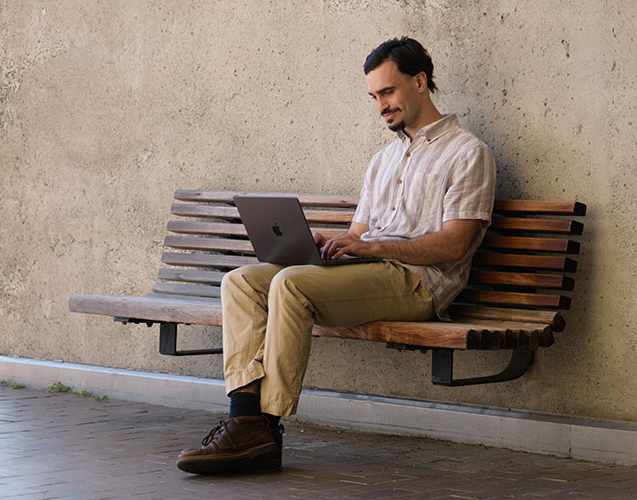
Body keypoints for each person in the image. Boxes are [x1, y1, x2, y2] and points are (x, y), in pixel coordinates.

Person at [176, 37, 496, 475]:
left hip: (421, 283)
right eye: (374, 97)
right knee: (242, 280)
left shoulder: (468, 153)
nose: (381, 105)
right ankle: (244, 418)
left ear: (420, 82)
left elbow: (454, 245)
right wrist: (331, 241)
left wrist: (370, 246)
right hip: (370, 271)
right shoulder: (382, 159)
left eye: (388, 92)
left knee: (291, 284)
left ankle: (264, 427)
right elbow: (361, 234)